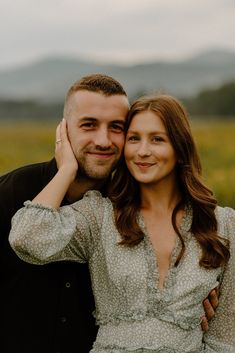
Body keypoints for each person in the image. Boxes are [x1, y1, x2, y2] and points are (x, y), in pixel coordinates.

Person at [9, 94, 234, 352]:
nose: (143, 151)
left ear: (180, 147)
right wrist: (66, 170)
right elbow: (26, 238)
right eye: (134, 138)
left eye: (157, 139)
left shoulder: (224, 225)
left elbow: (225, 337)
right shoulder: (100, 215)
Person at [0, 74, 130, 353]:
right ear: (64, 129)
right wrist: (67, 170)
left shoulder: (131, 206)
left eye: (116, 127)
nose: (104, 140)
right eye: (89, 125)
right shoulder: (11, 191)